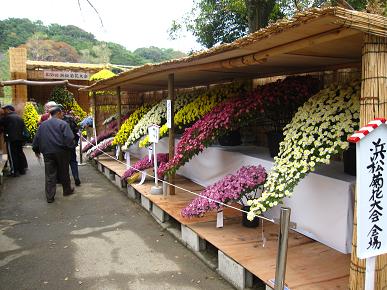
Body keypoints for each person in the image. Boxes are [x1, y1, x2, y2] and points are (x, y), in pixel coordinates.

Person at [32, 105, 75, 203]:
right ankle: (67, 190)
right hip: (62, 151)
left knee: (50, 174)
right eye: (62, 113)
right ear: (58, 113)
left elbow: (36, 139)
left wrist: (36, 150)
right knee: (64, 171)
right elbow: (69, 138)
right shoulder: (63, 124)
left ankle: (50, 196)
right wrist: (70, 147)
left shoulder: (42, 125)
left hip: (47, 152)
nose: (63, 115)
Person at [0, 104, 27, 177]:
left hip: (11, 139)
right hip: (20, 139)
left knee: (12, 155)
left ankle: (14, 171)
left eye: (5, 109)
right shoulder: (19, 117)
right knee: (19, 153)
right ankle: (22, 170)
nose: (4, 111)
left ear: (8, 110)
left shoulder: (7, 117)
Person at [63, 112, 81, 186]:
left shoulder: (56, 121)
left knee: (64, 163)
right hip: (71, 143)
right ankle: (76, 177)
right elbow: (76, 130)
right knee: (73, 161)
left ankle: (66, 181)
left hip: (61, 145)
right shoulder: (70, 119)